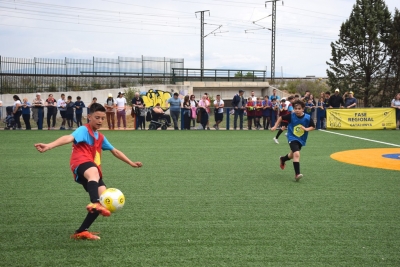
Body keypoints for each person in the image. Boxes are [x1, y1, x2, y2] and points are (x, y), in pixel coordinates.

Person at [34, 103, 143, 240]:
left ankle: (81, 231)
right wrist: (49, 146)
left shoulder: (100, 137)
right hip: (80, 163)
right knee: (94, 179)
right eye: (97, 117)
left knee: (103, 200)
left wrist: (131, 163)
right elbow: (68, 138)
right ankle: (94, 202)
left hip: (92, 169)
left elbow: (115, 151)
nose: (100, 121)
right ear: (89, 117)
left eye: (102, 118)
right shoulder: (83, 130)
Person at [271, 100, 315, 181]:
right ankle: (297, 174)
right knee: (297, 154)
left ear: (303, 109)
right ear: (293, 109)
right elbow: (281, 117)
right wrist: (275, 126)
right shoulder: (291, 115)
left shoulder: (308, 117)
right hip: (292, 137)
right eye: (295, 108)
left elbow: (313, 126)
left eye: (299, 108)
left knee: (292, 155)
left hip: (301, 139)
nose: (297, 110)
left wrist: (306, 129)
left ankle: (283, 159)